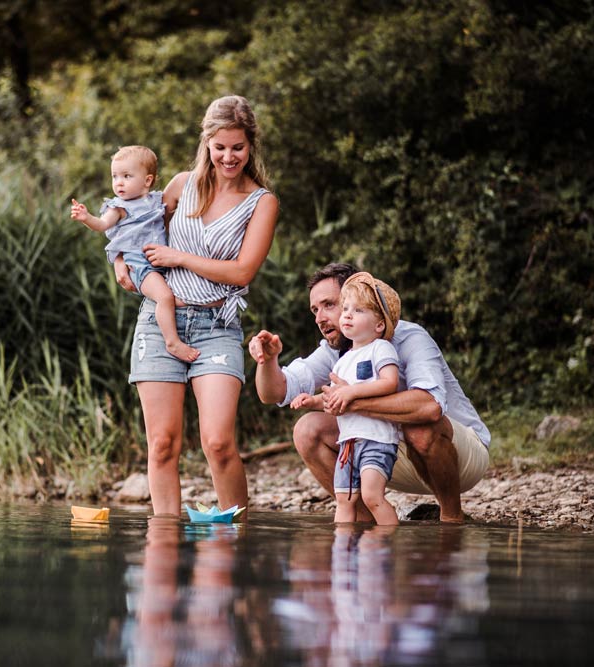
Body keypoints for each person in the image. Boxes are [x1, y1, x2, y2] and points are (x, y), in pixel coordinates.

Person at [123, 95, 279, 516]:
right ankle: (165, 543)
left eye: (238, 148)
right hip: (161, 322)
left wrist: (179, 258)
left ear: (251, 147)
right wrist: (123, 263)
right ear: (207, 143)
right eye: (220, 147)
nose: (229, 157)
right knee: (162, 443)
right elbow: (134, 229)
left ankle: (235, 534)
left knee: (218, 441)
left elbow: (243, 272)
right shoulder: (179, 186)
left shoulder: (261, 202)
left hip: (217, 324)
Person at [249, 263, 490, 523]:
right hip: (383, 453)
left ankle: (451, 520)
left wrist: (352, 401)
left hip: (461, 458)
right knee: (306, 430)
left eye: (329, 305)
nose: (319, 318)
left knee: (419, 425)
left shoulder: (408, 337)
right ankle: (366, 526)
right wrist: (268, 361)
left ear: (359, 297)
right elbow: (273, 394)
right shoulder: (336, 350)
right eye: (315, 310)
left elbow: (429, 406)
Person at [290, 273, 402, 525]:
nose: (348, 315)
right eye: (346, 309)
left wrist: (351, 392)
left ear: (379, 325)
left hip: (376, 439)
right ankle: (342, 546)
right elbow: (333, 398)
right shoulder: (343, 360)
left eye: (358, 310)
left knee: (373, 497)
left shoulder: (380, 348)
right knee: (344, 499)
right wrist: (313, 401)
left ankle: (389, 542)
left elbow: (389, 383)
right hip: (348, 443)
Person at [70, 145, 199, 362]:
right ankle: (172, 342)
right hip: (140, 264)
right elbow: (102, 225)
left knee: (175, 294)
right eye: (115, 176)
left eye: (126, 176)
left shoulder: (157, 201)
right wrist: (86, 218)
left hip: (161, 260)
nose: (118, 182)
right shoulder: (118, 207)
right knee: (165, 297)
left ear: (147, 181)